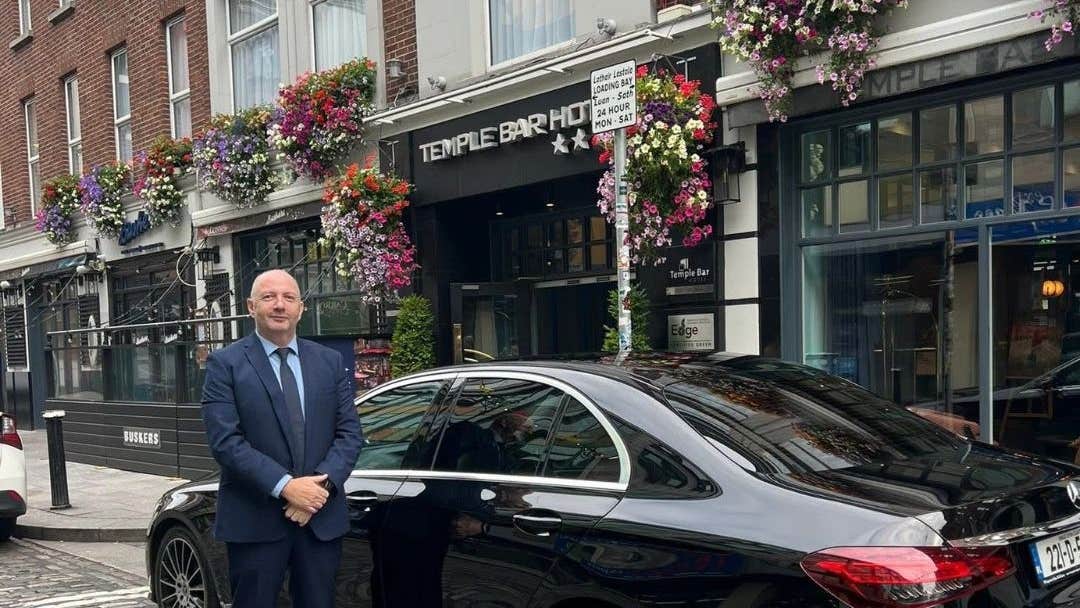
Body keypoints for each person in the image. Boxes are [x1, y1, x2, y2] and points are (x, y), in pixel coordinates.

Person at [201, 269, 362, 608]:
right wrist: (287, 487)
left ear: (300, 309)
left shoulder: (329, 362)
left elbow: (350, 433)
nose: (279, 305)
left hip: (319, 521)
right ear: (250, 307)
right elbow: (226, 442)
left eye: (288, 298)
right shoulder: (225, 364)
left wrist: (319, 491)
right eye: (268, 297)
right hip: (254, 521)